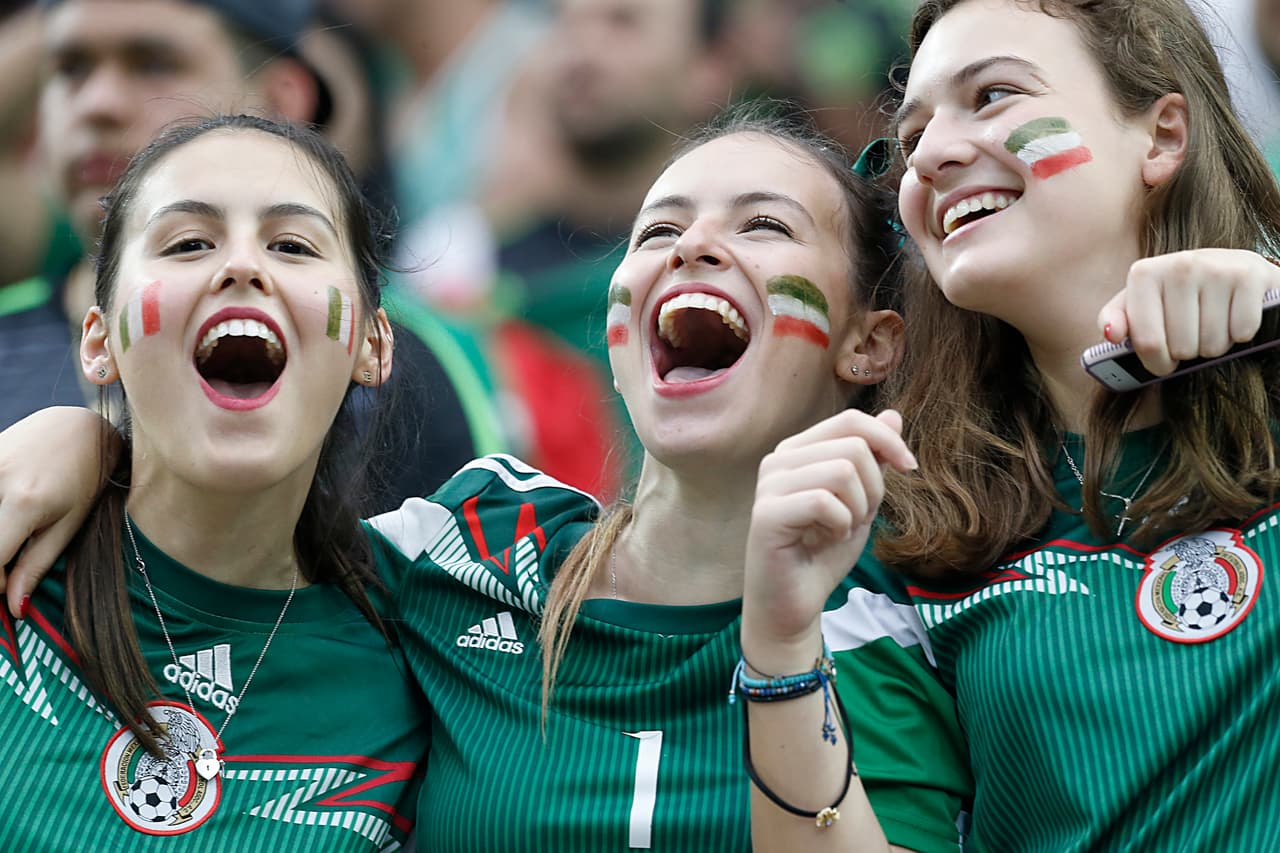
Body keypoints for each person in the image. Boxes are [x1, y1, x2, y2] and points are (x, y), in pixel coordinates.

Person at [0, 110, 973, 850]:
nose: (689, 248)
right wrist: (86, 442)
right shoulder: (470, 547)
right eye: (653, 231)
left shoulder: (901, 622)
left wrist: (783, 642)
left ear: (867, 340)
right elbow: (237, 525)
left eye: (761, 226)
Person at [870, 0, 1280, 849]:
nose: (934, 156)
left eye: (992, 97)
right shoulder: (900, 519)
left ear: (1164, 136)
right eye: (910, 141)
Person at [0, 114, 430, 848]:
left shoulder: (434, 648)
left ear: (370, 342)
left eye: (292, 245)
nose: (241, 266)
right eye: (188, 243)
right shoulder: (12, 553)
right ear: (100, 341)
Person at [0, 0, 501, 505]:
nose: (96, 103)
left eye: (154, 63)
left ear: (279, 104)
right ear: (96, 343)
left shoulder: (410, 364)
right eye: (70, 69)